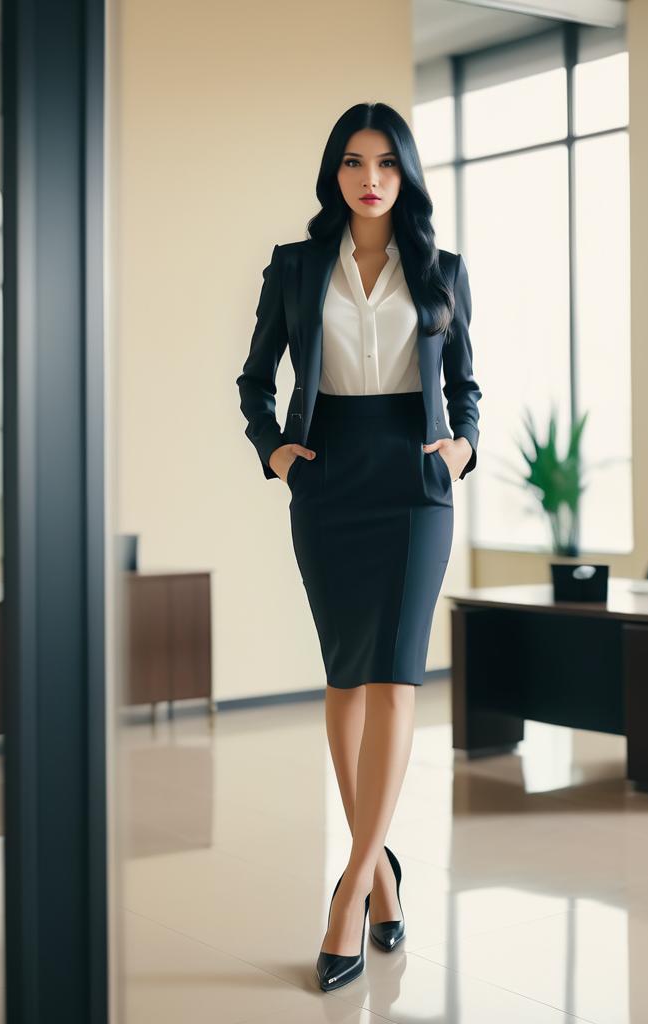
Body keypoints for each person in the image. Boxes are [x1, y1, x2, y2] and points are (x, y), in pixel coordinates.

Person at [235, 101, 481, 992]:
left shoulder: (442, 269)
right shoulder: (297, 267)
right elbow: (255, 377)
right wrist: (275, 451)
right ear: (335, 174)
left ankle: (349, 892)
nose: (369, 176)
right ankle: (383, 874)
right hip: (329, 478)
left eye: (385, 162)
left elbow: (466, 384)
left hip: (416, 487)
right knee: (346, 676)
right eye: (352, 161)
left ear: (404, 174)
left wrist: (464, 447)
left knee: (396, 677)